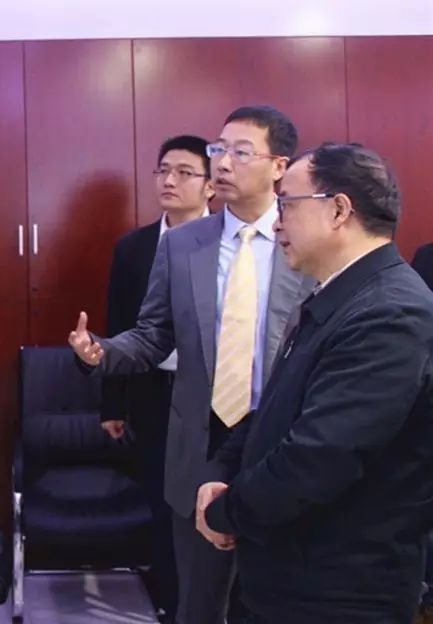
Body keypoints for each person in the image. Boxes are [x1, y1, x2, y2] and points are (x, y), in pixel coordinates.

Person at [69, 105, 313, 624]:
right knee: (199, 603)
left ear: (279, 166)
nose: (222, 162)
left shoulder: (305, 237)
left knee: (277, 601)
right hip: (200, 443)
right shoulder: (183, 245)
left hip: (284, 442)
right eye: (219, 149)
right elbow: (153, 334)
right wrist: (103, 352)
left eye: (240, 152)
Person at [196, 143, 433, 623]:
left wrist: (227, 512)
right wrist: (221, 470)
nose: (276, 223)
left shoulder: (390, 313)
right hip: (288, 576)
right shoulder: (340, 296)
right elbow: (279, 407)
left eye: (286, 204)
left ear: (339, 210)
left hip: (338, 591)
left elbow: (318, 457)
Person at [101, 134, 214, 622]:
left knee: (209, 504)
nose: (169, 180)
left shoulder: (228, 243)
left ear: (210, 185)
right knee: (163, 505)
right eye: (163, 170)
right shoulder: (134, 248)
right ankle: (170, 602)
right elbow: (118, 326)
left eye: (184, 172)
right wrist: (112, 404)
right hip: (153, 394)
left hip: (213, 398)